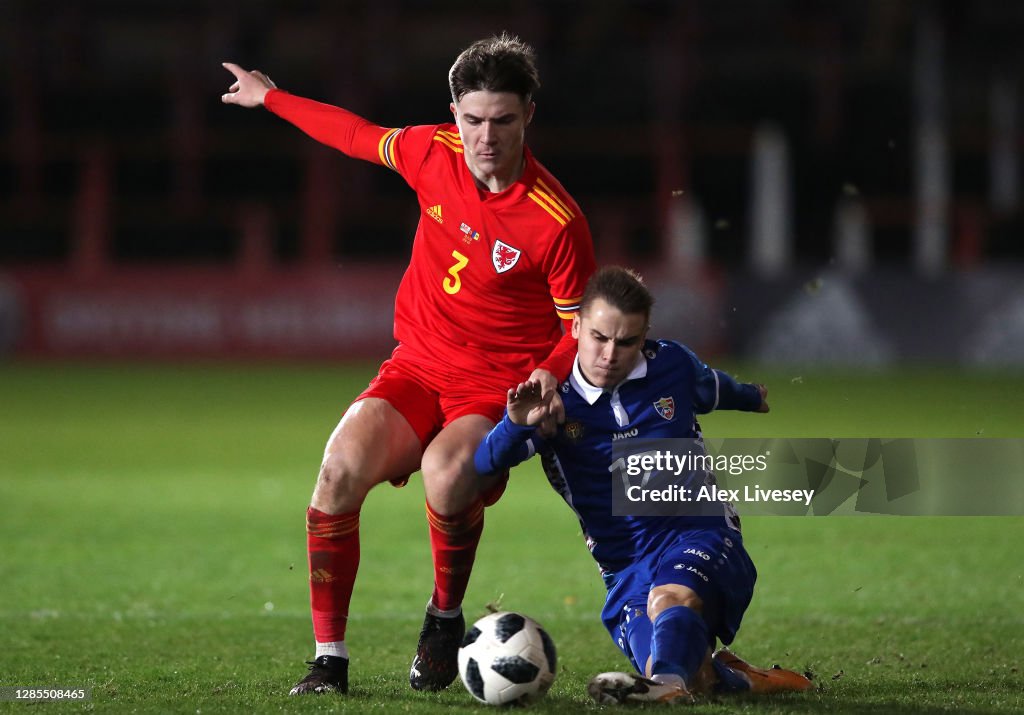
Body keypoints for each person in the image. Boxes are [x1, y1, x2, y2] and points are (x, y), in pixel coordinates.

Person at [220, 34, 596, 696]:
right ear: (454, 113)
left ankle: (444, 618)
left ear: (528, 114)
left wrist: (549, 372)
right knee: (336, 472)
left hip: (494, 391)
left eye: (502, 120)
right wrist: (270, 97)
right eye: (473, 119)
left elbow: (580, 331)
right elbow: (354, 135)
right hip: (417, 367)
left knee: (447, 476)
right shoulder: (430, 151)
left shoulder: (556, 220)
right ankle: (329, 661)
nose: (486, 137)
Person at [474, 266, 814, 704]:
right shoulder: (553, 406)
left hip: (701, 531)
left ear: (645, 337)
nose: (610, 353)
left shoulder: (671, 364)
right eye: (599, 337)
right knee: (680, 669)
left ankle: (668, 686)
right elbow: (485, 464)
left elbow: (714, 387)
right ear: (575, 326)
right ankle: (737, 678)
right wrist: (515, 424)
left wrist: (751, 397)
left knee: (670, 600)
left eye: (626, 342)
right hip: (624, 567)